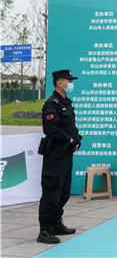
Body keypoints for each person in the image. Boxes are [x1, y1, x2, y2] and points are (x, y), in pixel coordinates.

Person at [37, 70, 82, 244]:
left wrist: (76, 139)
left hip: (66, 154)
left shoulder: (66, 102)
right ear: (59, 83)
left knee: (63, 192)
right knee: (51, 192)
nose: (71, 84)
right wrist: (68, 139)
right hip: (54, 155)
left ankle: (56, 223)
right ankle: (44, 230)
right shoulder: (52, 103)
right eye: (69, 81)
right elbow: (51, 129)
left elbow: (71, 125)